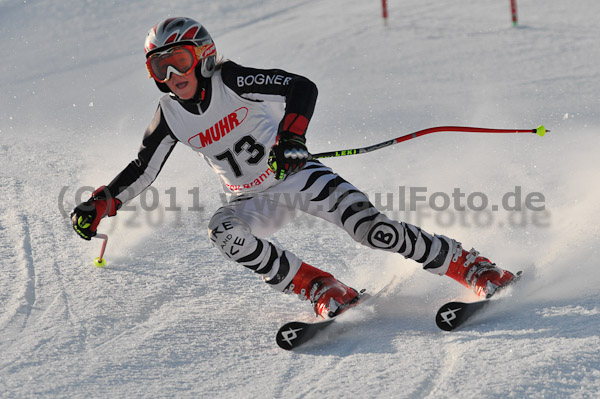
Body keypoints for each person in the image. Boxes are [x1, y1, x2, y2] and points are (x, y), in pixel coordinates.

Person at [71, 17, 517, 318]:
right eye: (159, 67)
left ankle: (470, 266)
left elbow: (302, 88)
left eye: (179, 62)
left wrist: (291, 140)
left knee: (372, 232)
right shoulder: (170, 114)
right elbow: (142, 169)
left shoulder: (232, 79)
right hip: (250, 199)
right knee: (223, 231)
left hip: (296, 176)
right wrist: (100, 203)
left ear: (203, 55)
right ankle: (319, 286)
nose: (172, 76)